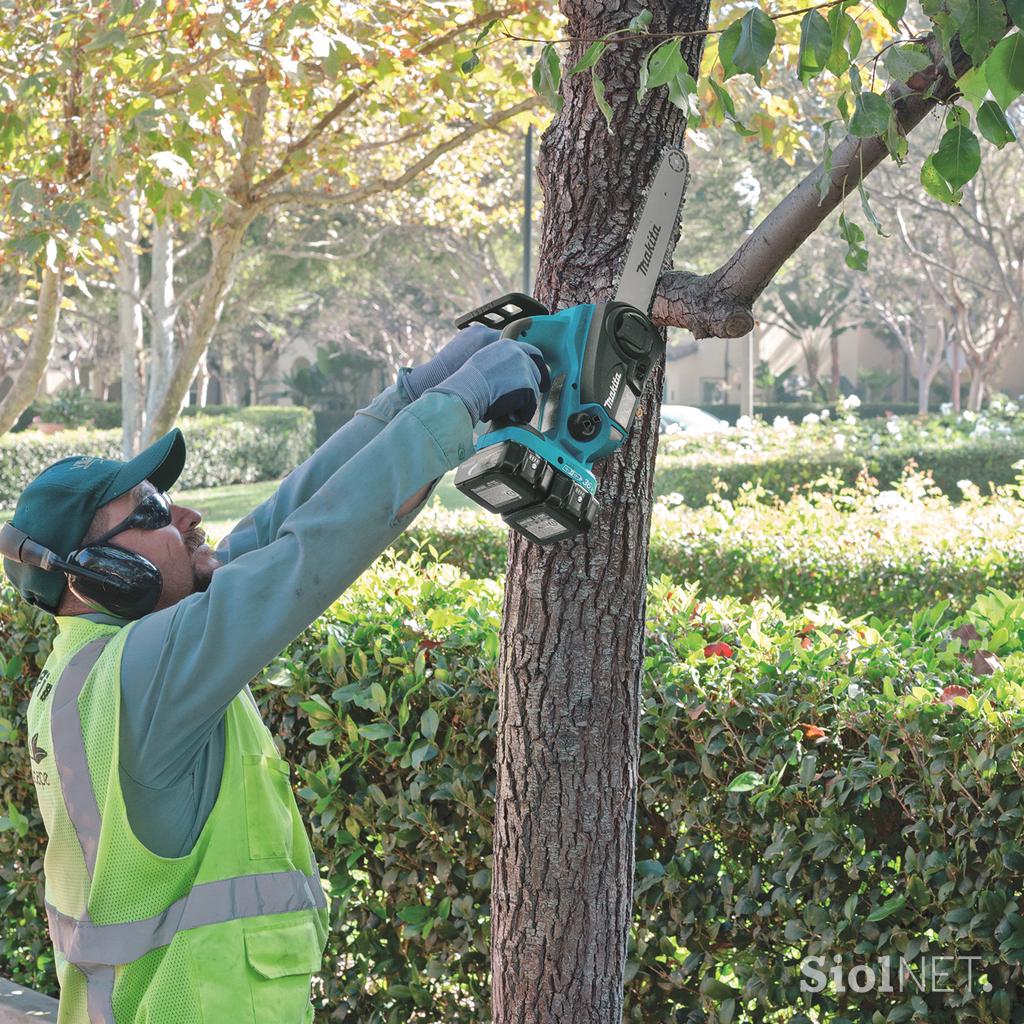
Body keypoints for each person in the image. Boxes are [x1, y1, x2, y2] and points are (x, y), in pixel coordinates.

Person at [0, 327, 547, 1024]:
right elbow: (308, 553)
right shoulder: (144, 674)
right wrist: (456, 408)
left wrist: (417, 392)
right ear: (96, 573)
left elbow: (278, 526)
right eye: (153, 514)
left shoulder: (87, 670)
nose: (190, 517)